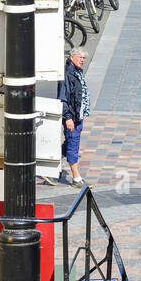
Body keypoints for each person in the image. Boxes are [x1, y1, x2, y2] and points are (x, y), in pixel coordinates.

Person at [51, 49, 90, 187]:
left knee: (69, 143)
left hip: (78, 116)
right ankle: (76, 178)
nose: (83, 60)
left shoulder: (76, 71)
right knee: (73, 145)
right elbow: (63, 98)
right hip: (72, 117)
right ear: (72, 57)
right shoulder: (68, 73)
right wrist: (68, 117)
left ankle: (51, 166)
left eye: (84, 58)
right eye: (80, 57)